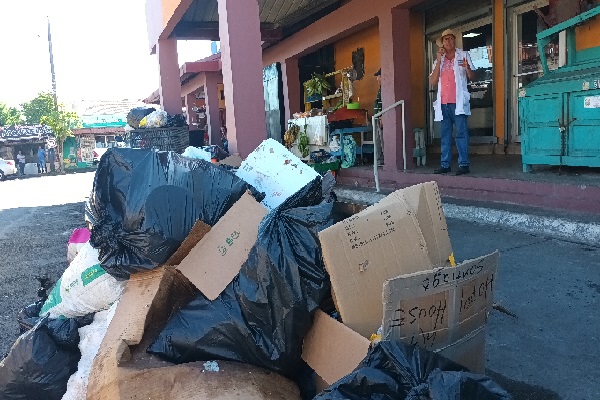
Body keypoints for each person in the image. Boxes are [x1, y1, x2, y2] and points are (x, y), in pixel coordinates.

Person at [429, 29, 476, 175]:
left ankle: (464, 164)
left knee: (461, 134)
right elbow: (432, 81)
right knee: (445, 135)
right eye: (446, 39)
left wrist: (467, 68)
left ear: (455, 40)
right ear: (442, 43)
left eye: (451, 38)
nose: (449, 41)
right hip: (443, 103)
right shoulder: (439, 60)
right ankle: (445, 164)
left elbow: (473, 76)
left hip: (458, 102)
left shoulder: (463, 55)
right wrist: (438, 59)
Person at [373, 68, 384, 165]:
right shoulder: (381, 89)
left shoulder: (385, 89)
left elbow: (382, 104)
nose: (378, 79)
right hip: (377, 118)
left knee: (382, 139)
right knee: (378, 139)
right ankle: (379, 159)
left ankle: (383, 159)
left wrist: (381, 117)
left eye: (379, 76)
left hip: (381, 118)